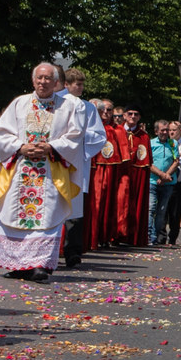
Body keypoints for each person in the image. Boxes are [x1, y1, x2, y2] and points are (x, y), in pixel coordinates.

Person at [0, 63, 89, 283]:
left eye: (48, 78)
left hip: (50, 170)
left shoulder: (68, 107)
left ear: (56, 82)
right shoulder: (19, 104)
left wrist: (52, 146)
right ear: (33, 81)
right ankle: (17, 265)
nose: (43, 82)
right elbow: (2, 133)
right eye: (39, 78)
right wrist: (21, 147)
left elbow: (75, 136)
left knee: (46, 216)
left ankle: (39, 264)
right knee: (13, 214)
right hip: (20, 168)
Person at [58, 68, 105, 266]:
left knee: (75, 211)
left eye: (82, 84)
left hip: (77, 163)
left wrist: (81, 135)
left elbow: (99, 136)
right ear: (66, 84)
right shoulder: (56, 103)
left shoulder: (88, 108)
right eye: (77, 84)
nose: (81, 88)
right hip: (57, 159)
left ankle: (73, 251)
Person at [85, 99, 125, 249]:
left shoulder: (115, 131)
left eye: (109, 110)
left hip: (107, 173)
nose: (105, 113)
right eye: (103, 110)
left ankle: (102, 237)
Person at [114, 102, 151, 246]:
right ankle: (115, 235)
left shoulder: (144, 136)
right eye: (130, 114)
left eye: (136, 114)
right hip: (119, 174)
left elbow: (146, 161)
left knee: (135, 204)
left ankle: (132, 236)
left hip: (136, 175)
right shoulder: (116, 131)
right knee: (118, 204)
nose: (133, 117)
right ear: (124, 115)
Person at [147, 119, 178, 246]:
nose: (165, 132)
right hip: (153, 181)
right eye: (163, 130)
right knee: (150, 209)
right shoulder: (151, 143)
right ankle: (147, 235)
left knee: (161, 211)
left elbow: (176, 161)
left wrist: (166, 176)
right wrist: (160, 174)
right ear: (156, 131)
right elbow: (148, 162)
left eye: (167, 130)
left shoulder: (173, 143)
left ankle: (155, 236)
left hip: (168, 183)